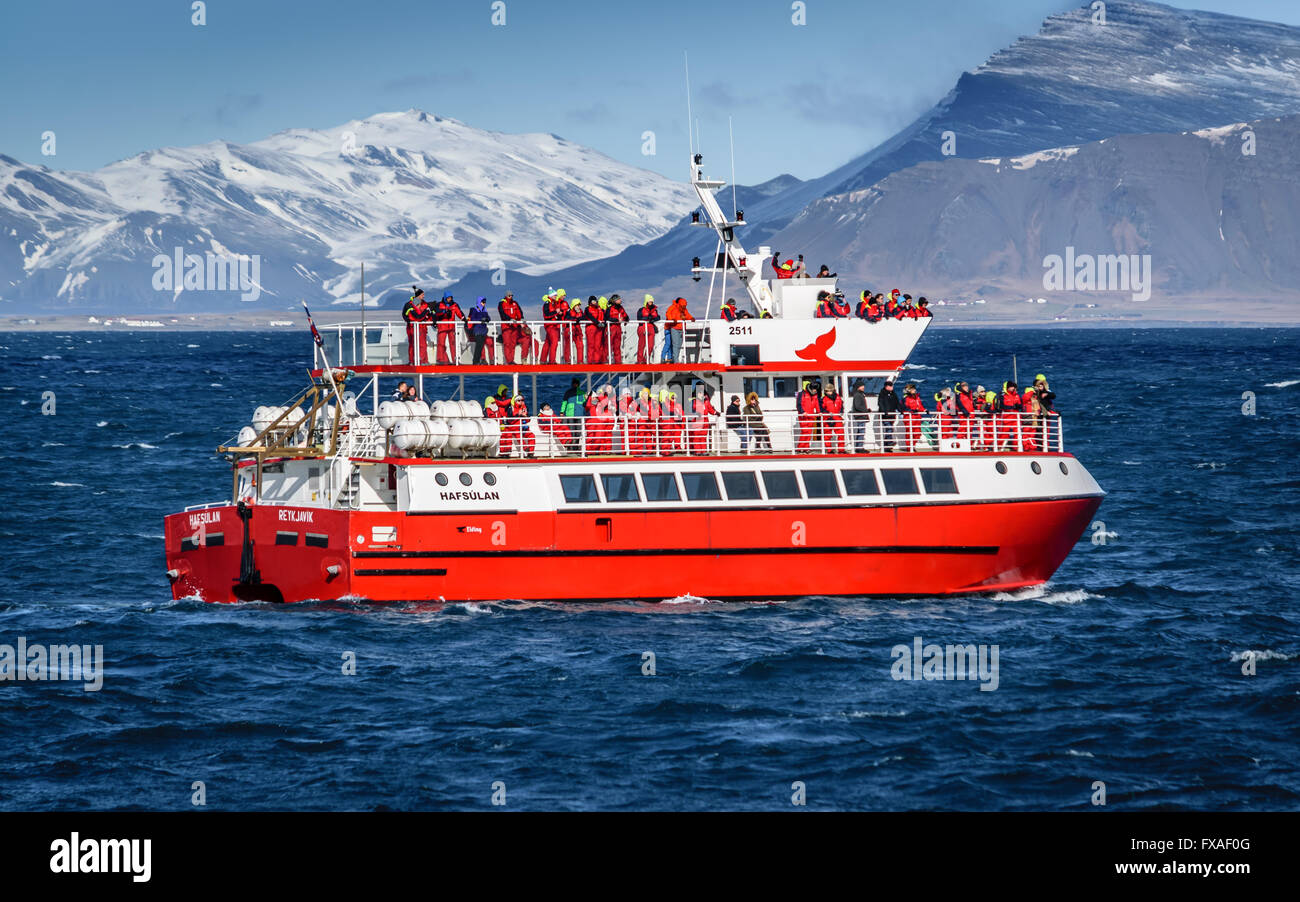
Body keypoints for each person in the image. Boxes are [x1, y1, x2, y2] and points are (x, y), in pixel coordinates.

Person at [402, 287, 433, 365]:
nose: (424, 296)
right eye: (422, 295)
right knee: (416, 344)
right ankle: (418, 361)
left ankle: (421, 360)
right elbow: (406, 314)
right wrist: (408, 320)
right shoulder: (409, 304)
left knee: (421, 344)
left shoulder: (424, 304)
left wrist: (429, 320)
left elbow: (427, 315)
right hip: (413, 327)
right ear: (418, 295)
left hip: (422, 327)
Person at [433, 291, 465, 365]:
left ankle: (455, 360)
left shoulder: (454, 305)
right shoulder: (439, 304)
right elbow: (436, 312)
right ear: (445, 298)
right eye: (448, 298)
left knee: (453, 344)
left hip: (451, 327)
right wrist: (444, 311)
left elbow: (459, 312)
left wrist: (464, 319)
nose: (449, 299)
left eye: (450, 297)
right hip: (442, 327)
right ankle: (440, 360)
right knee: (441, 344)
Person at [498, 290, 527, 364]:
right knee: (507, 344)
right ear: (506, 296)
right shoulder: (501, 303)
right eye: (509, 295)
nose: (510, 297)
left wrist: (521, 318)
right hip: (506, 327)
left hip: (514, 326)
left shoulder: (515, 303)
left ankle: (512, 360)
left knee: (513, 344)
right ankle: (509, 361)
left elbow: (519, 312)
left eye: (511, 295)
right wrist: (509, 319)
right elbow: (502, 314)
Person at [687, 385, 718, 454]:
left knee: (703, 436)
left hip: (705, 421)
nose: (701, 394)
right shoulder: (693, 401)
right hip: (697, 421)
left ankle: (703, 451)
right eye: (699, 393)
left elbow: (710, 410)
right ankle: (697, 451)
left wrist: (716, 412)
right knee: (697, 436)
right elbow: (691, 410)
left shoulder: (706, 402)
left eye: (702, 393)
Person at [663, 297, 694, 362]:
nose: (684, 307)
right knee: (675, 344)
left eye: (685, 306)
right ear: (679, 304)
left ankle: (675, 359)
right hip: (675, 328)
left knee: (679, 345)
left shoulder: (685, 309)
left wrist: (691, 318)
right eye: (683, 306)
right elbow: (668, 313)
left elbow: (687, 315)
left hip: (682, 329)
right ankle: (675, 361)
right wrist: (671, 319)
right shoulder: (673, 308)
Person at [795, 379, 821, 452]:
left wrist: (819, 412)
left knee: (809, 433)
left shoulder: (815, 395)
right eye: (814, 389)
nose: (815, 391)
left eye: (816, 389)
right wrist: (802, 412)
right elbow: (798, 405)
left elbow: (817, 404)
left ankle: (806, 448)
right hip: (803, 416)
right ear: (810, 389)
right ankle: (800, 448)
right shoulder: (801, 394)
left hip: (811, 416)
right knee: (805, 431)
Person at [876, 378, 901, 452]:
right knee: (889, 428)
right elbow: (880, 403)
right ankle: (889, 442)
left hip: (892, 415)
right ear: (887, 387)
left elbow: (897, 403)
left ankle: (886, 446)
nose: (892, 387)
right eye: (891, 386)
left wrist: (901, 410)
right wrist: (884, 411)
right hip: (885, 416)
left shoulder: (893, 394)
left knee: (889, 429)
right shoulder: (882, 394)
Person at [467, 297, 493, 364]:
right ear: (479, 302)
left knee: (481, 346)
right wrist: (480, 320)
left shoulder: (484, 310)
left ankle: (478, 361)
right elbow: (472, 319)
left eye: (485, 302)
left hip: (483, 330)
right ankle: (475, 361)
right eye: (483, 302)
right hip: (477, 330)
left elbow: (488, 317)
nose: (484, 304)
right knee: (478, 346)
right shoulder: (475, 310)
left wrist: (487, 319)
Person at [900, 382, 926, 451]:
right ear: (909, 390)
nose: (914, 390)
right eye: (913, 389)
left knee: (917, 433)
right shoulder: (905, 398)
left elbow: (920, 406)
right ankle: (910, 447)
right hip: (909, 418)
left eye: (914, 389)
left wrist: (924, 410)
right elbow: (903, 408)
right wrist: (911, 410)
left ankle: (913, 445)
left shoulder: (917, 397)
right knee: (910, 433)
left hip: (917, 417)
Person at [821, 382, 846, 453]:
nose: (829, 392)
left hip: (837, 417)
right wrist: (828, 414)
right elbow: (821, 409)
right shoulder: (824, 399)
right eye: (827, 391)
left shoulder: (838, 398)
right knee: (827, 435)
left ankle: (841, 450)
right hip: (827, 418)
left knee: (841, 434)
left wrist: (841, 411)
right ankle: (829, 450)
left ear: (833, 390)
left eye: (830, 390)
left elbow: (841, 406)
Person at [997, 381, 1022, 451]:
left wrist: (1017, 406)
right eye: (1011, 387)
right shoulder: (1003, 396)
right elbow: (1002, 406)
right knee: (1004, 433)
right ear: (1008, 388)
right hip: (1007, 417)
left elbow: (1020, 405)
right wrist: (1011, 407)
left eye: (1013, 387)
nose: (1013, 388)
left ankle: (1016, 447)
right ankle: (1000, 447)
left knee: (1017, 433)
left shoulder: (1016, 395)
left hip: (1015, 417)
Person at [541, 290, 563, 364]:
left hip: (553, 325)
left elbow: (554, 314)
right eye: (555, 295)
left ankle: (543, 360)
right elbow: (546, 315)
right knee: (554, 342)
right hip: (550, 326)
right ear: (550, 296)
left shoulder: (553, 303)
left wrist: (559, 313)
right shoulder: (547, 304)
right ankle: (552, 361)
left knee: (547, 343)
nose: (556, 296)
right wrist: (556, 312)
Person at [582, 295, 606, 365]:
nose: (594, 302)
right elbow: (590, 316)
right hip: (591, 328)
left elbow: (604, 317)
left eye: (595, 300)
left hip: (599, 328)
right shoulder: (587, 309)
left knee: (597, 345)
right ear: (590, 302)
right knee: (591, 345)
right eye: (593, 301)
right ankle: (590, 362)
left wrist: (603, 323)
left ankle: (596, 361)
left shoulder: (599, 309)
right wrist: (597, 323)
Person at [637, 294, 660, 364]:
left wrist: (652, 319)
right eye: (649, 302)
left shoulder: (654, 310)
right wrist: (647, 318)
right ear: (646, 301)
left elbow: (658, 317)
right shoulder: (641, 310)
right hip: (642, 327)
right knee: (641, 345)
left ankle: (646, 359)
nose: (651, 303)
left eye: (652, 302)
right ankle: (640, 360)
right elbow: (639, 318)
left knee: (650, 345)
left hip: (651, 327)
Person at [606, 294, 628, 364]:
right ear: (614, 301)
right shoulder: (610, 308)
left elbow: (626, 316)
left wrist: (624, 319)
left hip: (618, 328)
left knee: (617, 346)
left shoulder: (621, 308)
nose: (620, 300)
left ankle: (618, 362)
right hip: (611, 328)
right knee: (609, 345)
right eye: (618, 299)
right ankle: (607, 361)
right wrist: (616, 320)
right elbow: (607, 318)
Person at [850, 381, 870, 452]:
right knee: (861, 431)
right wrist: (866, 410)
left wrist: (866, 410)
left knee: (860, 431)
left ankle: (859, 447)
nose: (863, 387)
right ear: (858, 387)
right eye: (862, 386)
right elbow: (858, 406)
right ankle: (859, 448)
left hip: (861, 416)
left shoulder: (858, 394)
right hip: (860, 416)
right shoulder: (858, 395)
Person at [564, 298, 584, 364]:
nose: (578, 307)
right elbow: (566, 319)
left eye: (579, 305)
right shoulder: (569, 311)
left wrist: (579, 318)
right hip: (569, 329)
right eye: (577, 305)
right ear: (574, 305)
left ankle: (580, 361)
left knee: (580, 345)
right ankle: (567, 361)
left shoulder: (581, 311)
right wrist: (576, 319)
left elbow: (584, 318)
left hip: (577, 330)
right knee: (568, 346)